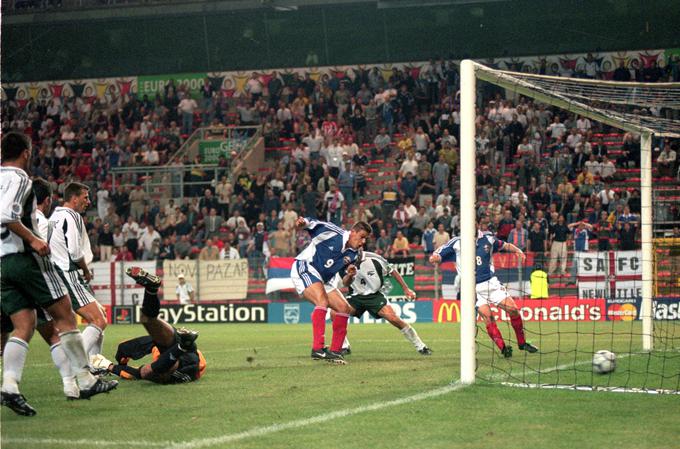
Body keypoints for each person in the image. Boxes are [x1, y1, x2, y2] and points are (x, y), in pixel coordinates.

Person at [1, 132, 117, 416]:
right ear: (26, 153)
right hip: (24, 260)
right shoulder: (19, 179)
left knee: (24, 324)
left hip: (2, 264)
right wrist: (33, 240)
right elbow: (6, 214)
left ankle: (10, 385)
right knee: (65, 317)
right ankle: (86, 379)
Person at [429, 230, 538, 358]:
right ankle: (503, 348)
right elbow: (438, 253)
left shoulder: (488, 239)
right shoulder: (457, 242)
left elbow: (504, 245)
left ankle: (522, 343)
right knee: (488, 317)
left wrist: (518, 250)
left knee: (513, 309)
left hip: (491, 283)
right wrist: (434, 257)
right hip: (472, 288)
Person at [91, 267, 206, 384]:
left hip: (183, 353)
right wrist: (110, 365)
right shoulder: (175, 370)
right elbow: (137, 372)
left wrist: (110, 366)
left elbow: (137, 373)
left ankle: (151, 290)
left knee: (145, 324)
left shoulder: (165, 373)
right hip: (187, 352)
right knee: (146, 321)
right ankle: (151, 290)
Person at [291, 217, 371, 364]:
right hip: (306, 267)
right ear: (353, 232)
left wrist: (350, 274)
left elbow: (347, 283)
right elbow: (313, 224)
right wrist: (304, 223)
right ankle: (318, 349)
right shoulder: (333, 233)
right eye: (362, 237)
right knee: (322, 300)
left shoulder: (355, 254)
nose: (363, 242)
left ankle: (335, 351)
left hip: (324, 280)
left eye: (365, 239)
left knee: (344, 308)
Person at [48, 182, 109, 358]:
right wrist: (86, 271)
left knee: (100, 315)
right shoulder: (71, 216)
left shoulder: (54, 216)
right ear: (74, 199)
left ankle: (95, 364)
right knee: (98, 320)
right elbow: (75, 253)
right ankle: (76, 362)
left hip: (57, 273)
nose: (88, 202)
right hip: (68, 273)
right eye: (85, 197)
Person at [338, 251, 432, 355]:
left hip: (374, 295)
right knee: (335, 312)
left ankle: (421, 346)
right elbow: (345, 283)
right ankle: (344, 346)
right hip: (355, 296)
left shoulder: (374, 258)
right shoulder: (343, 261)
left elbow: (392, 270)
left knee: (393, 318)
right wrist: (350, 275)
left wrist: (406, 289)